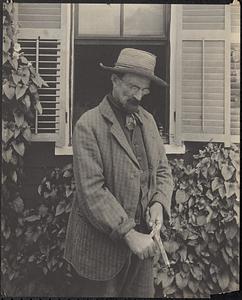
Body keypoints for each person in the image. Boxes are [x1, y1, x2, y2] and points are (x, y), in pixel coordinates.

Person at [64, 48, 174, 297]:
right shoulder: (88, 125)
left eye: (144, 90)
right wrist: (129, 233)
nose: (138, 96)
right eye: (132, 87)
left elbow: (164, 170)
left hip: (142, 250)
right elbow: (92, 191)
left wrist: (158, 203)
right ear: (114, 80)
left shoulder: (148, 121)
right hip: (99, 253)